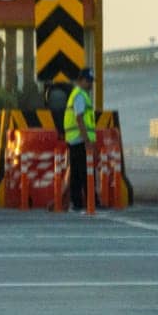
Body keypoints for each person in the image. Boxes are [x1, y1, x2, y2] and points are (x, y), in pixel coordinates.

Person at [62, 68, 97, 210]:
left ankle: (78, 203)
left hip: (76, 140)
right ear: (81, 80)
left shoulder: (80, 95)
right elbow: (79, 118)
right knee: (84, 173)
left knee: (77, 173)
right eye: (89, 81)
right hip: (79, 140)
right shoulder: (80, 96)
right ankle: (89, 202)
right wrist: (87, 140)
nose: (91, 84)